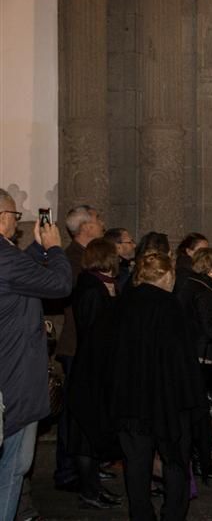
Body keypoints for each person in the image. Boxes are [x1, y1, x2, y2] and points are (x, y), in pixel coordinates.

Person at [109, 251, 209, 521]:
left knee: (136, 463)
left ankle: (141, 515)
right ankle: (173, 515)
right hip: (167, 400)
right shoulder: (169, 305)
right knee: (175, 460)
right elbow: (180, 357)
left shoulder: (121, 304)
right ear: (167, 275)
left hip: (130, 399)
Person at [0, 188, 72, 520]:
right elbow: (59, 285)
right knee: (14, 468)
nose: (16, 224)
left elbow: (19, 277)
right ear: (2, 217)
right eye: (15, 217)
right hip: (13, 378)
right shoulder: (3, 256)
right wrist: (56, 248)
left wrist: (37, 250)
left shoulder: (9, 258)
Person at [67, 238, 123, 509]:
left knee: (95, 433)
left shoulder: (107, 285)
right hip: (91, 373)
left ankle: (96, 487)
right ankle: (89, 490)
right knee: (86, 437)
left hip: (104, 371)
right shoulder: (91, 288)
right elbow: (92, 333)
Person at [53, 205, 105, 491]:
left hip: (87, 346)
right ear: (85, 227)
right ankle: (68, 471)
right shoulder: (71, 259)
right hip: (76, 346)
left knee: (86, 412)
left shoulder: (87, 256)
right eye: (97, 218)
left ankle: (86, 467)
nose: (101, 222)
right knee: (73, 413)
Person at [175, 248, 212, 451]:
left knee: (209, 402)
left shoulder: (202, 286)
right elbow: (209, 324)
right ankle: (206, 445)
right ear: (211, 267)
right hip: (206, 353)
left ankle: (209, 442)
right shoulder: (201, 289)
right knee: (207, 402)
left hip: (206, 351)